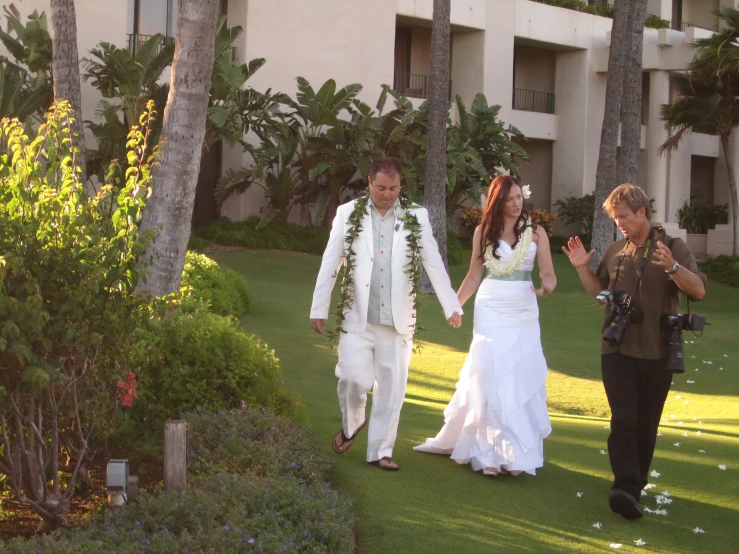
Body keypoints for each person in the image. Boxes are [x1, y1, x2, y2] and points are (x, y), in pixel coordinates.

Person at [562, 183, 706, 520]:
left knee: (646, 423)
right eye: (616, 219)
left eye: (624, 217)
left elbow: (698, 290)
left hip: (659, 351)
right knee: (624, 418)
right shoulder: (615, 250)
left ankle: (635, 484)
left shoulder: (673, 247)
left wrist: (672, 267)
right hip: (617, 348)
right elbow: (600, 294)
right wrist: (583, 268)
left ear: (642, 211)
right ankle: (624, 487)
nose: (620, 224)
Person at [309, 157, 463, 471]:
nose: (387, 194)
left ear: (400, 186)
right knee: (352, 377)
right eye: (381, 187)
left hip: (398, 321)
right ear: (369, 182)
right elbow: (330, 262)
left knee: (392, 391)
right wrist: (319, 306)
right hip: (358, 318)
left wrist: (451, 305)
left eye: (393, 188)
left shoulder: (416, 216)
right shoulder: (348, 213)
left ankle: (381, 452)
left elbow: (433, 262)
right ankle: (353, 423)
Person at [414, 175, 556, 477]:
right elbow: (474, 277)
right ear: (498, 201)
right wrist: (454, 305)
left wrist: (545, 288)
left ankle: (514, 452)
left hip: (523, 310)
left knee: (516, 377)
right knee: (488, 375)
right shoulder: (483, 232)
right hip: (491, 307)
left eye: (520, 197)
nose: (517, 204)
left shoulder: (537, 233)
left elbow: (549, 275)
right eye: (510, 199)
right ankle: (487, 453)